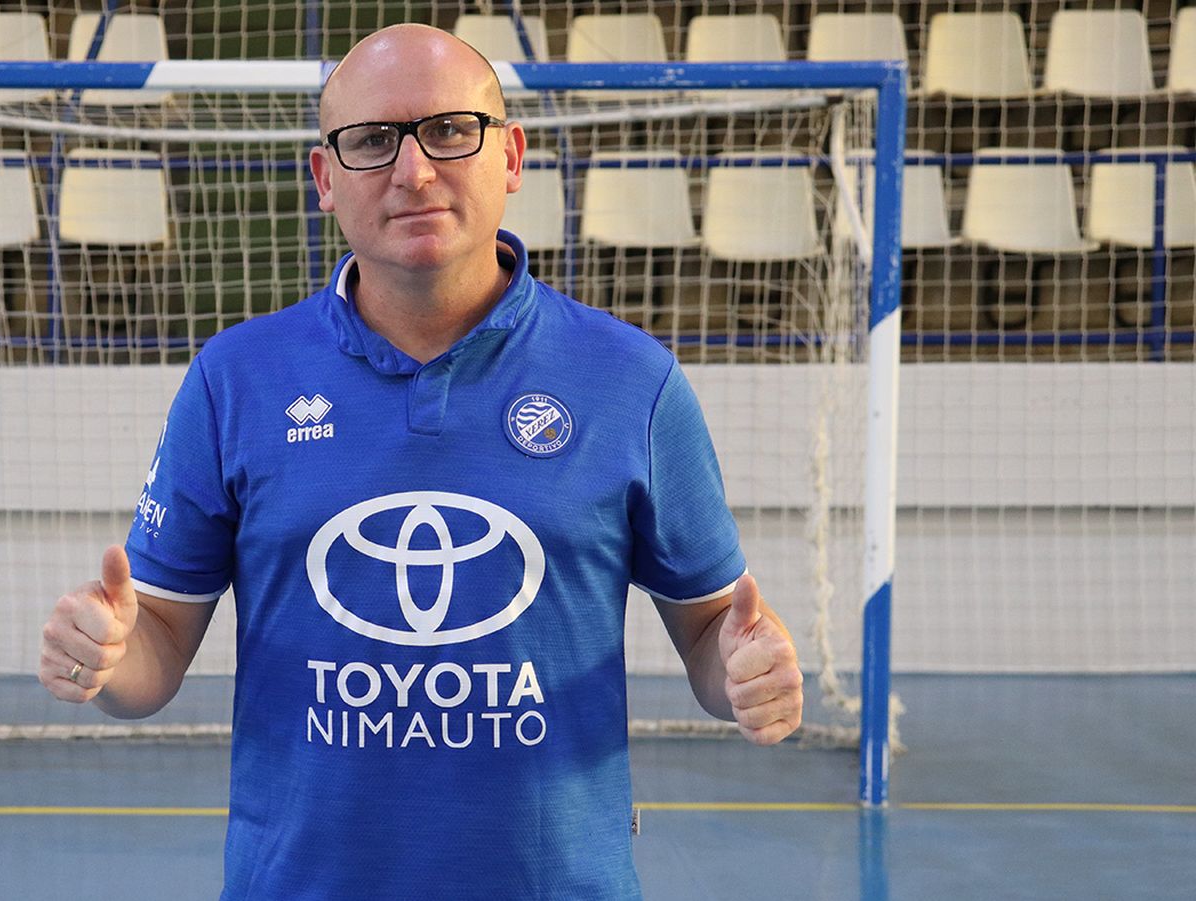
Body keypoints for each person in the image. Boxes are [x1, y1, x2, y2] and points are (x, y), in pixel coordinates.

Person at [40, 23, 803, 900]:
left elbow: (712, 630)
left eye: (449, 130)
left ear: (511, 156)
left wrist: (745, 669)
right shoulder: (235, 379)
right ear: (325, 178)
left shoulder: (632, 381)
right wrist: (103, 660)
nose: (413, 171)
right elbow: (157, 649)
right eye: (371, 141)